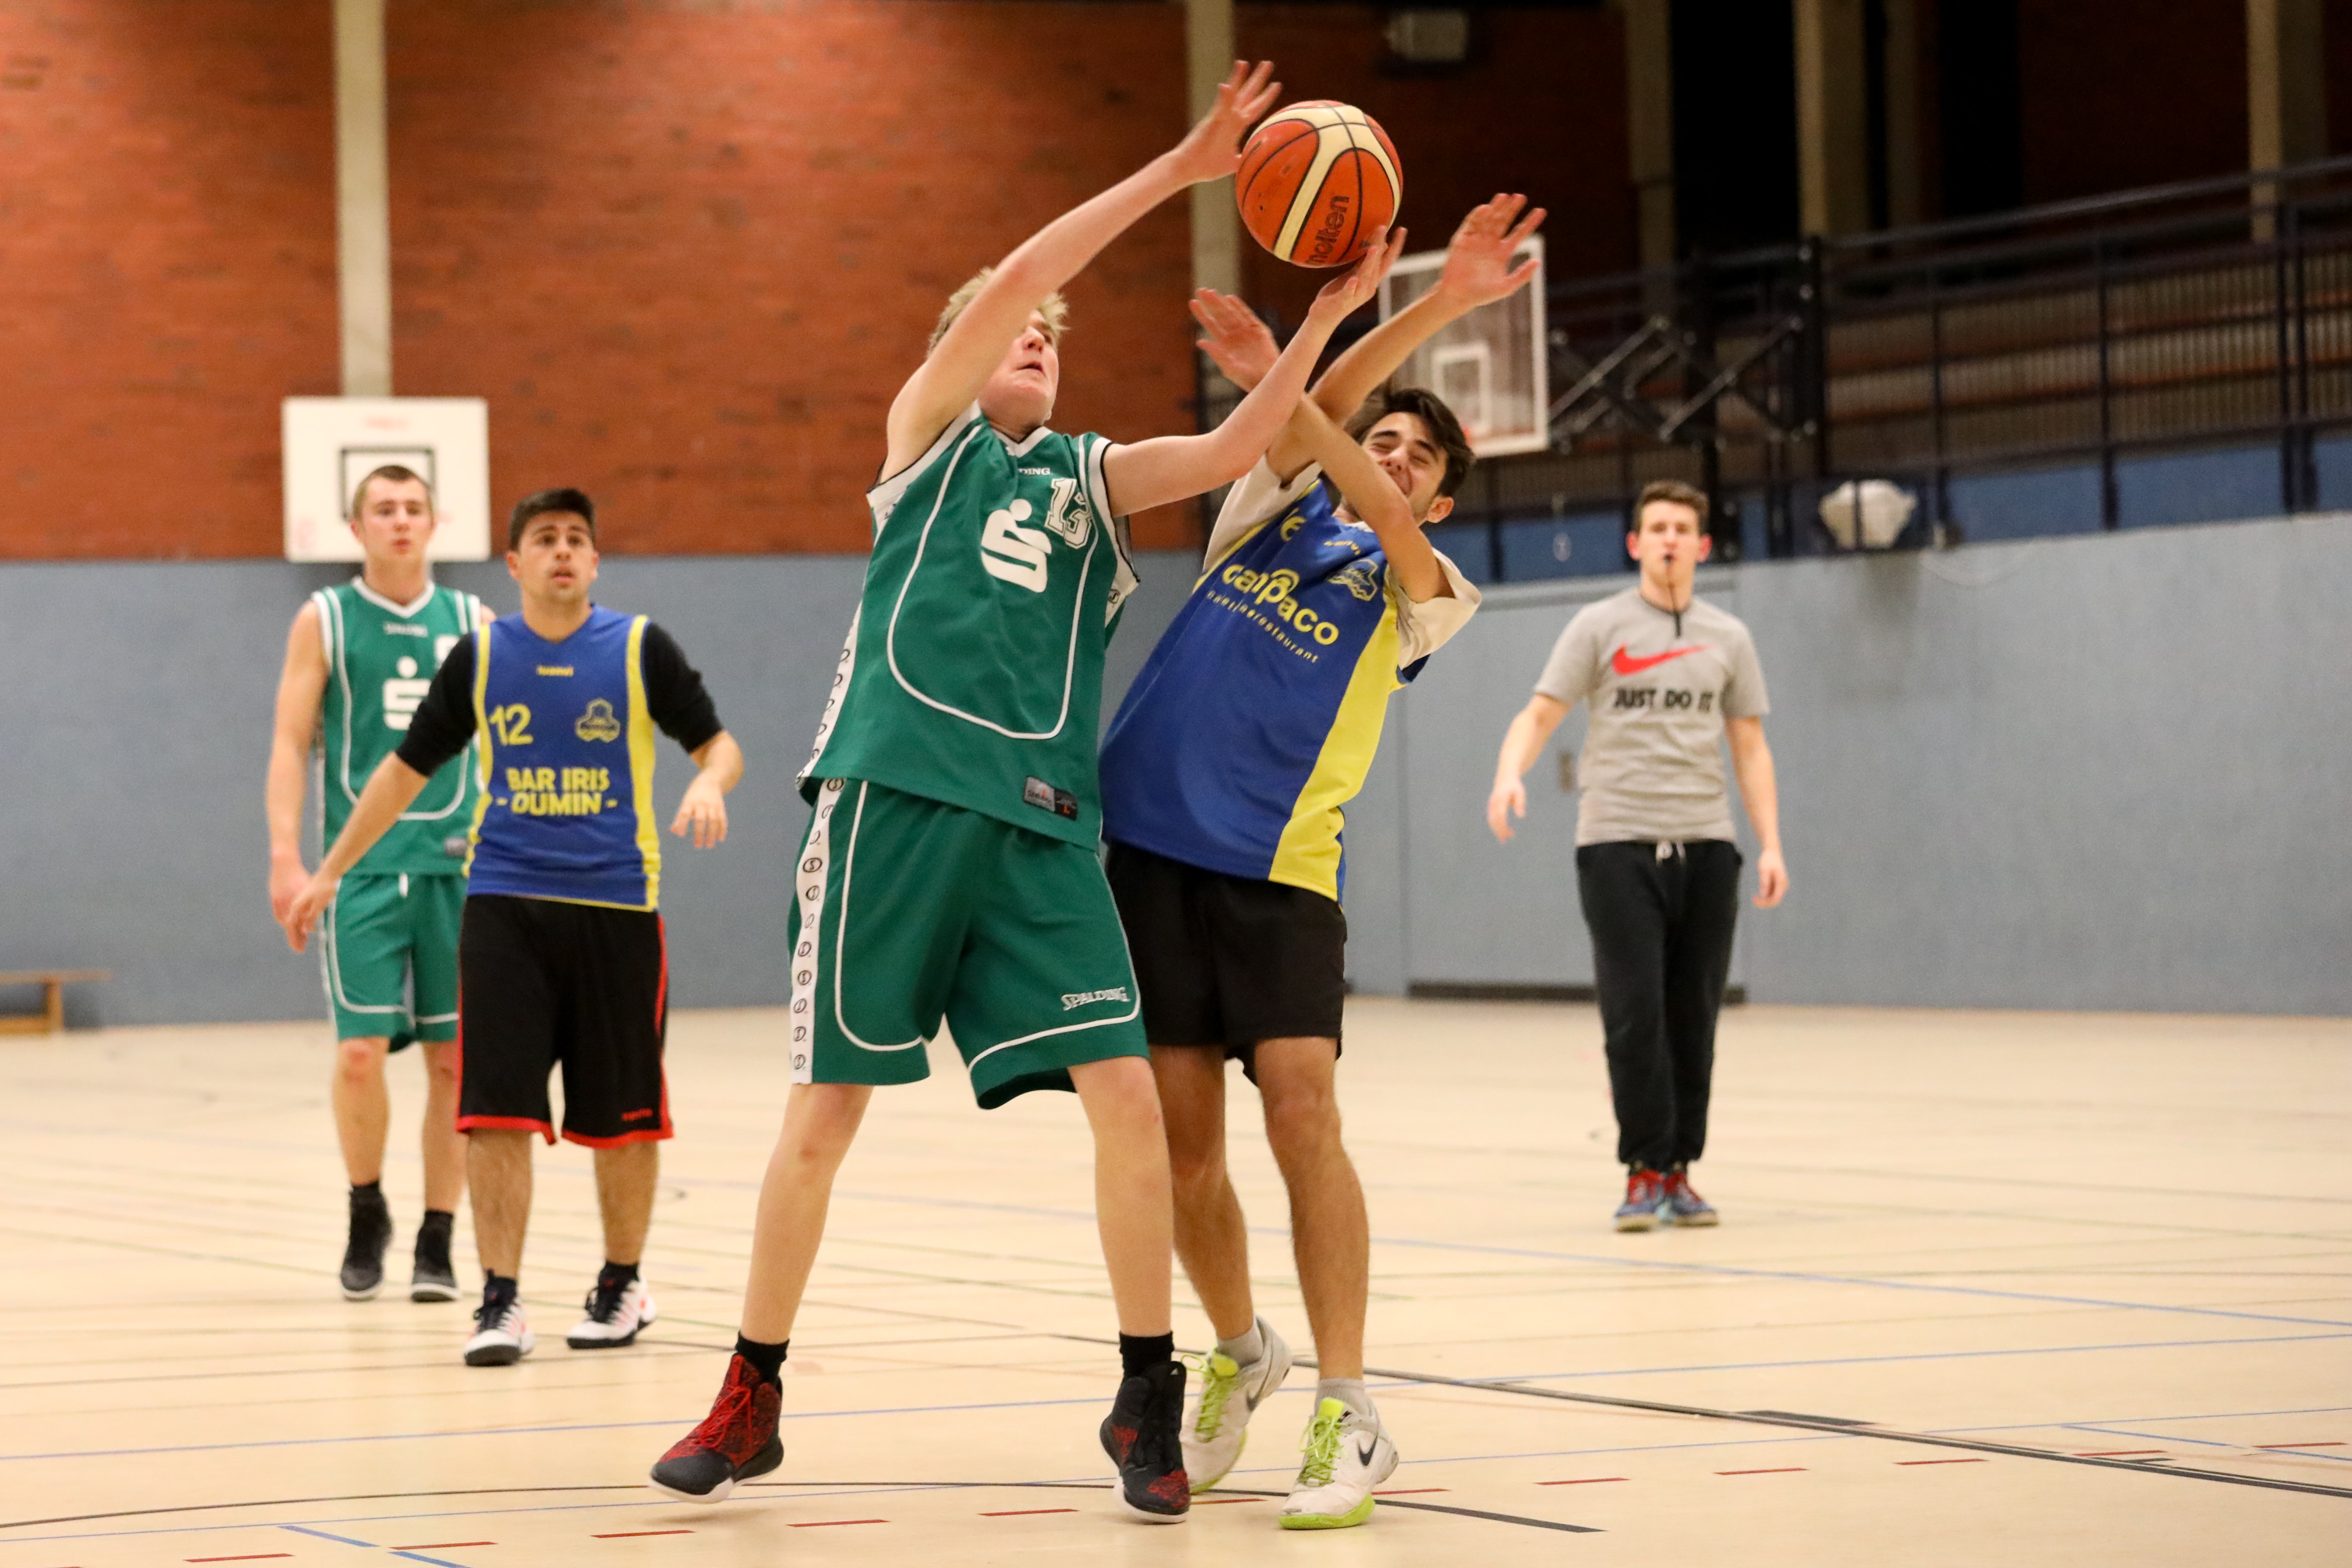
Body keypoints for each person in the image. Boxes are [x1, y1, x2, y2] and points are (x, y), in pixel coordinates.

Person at [644, 60, 1394, 1525]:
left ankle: (1142, 1390)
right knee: (826, 1113)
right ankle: (752, 1389)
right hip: (892, 803)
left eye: (1055, 336)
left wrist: (1323, 319)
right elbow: (1021, 278)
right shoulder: (923, 442)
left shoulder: (1093, 479)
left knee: (1127, 1094)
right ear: (966, 348)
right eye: (1020, 330)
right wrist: (1181, 171)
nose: (1040, 337)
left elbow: (1235, 448)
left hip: (1043, 830)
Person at [1095, 194, 1543, 1529]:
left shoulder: (1423, 587)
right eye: (1380, 439)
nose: (1389, 457)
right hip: (1147, 856)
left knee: (1303, 1121)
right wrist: (1394, 316)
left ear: (1441, 497)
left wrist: (1303, 384)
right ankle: (1243, 1350)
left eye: (1416, 455)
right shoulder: (1262, 513)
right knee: (1185, 1151)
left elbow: (1347, 460)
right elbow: (1317, 422)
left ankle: (1350, 1406)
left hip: (1280, 871)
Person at [282, 488, 744, 1365]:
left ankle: (622, 1282)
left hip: (617, 909)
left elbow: (719, 745)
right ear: (515, 563)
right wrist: (332, 867)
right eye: (544, 538)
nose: (562, 550)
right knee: (495, 1113)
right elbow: (406, 769)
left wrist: (710, 781)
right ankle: (499, 1300)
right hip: (502, 907)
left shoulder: (640, 647)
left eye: (576, 539)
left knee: (625, 1119)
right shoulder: (484, 654)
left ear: (595, 561)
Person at [1487, 480, 1787, 1230]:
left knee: (1694, 1016)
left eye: (1683, 528)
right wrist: (1509, 774)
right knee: (1634, 1014)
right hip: (1617, 845)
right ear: (1635, 543)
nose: (1669, 540)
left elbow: (1750, 746)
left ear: (1703, 546)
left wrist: (1771, 844)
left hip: (1707, 846)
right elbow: (1540, 713)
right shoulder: (1599, 626)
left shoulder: (1729, 637)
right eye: (1656, 528)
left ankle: (1681, 1171)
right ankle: (1643, 1170)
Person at [266, 465, 489, 1303]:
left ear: (436, 522)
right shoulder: (324, 618)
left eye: (413, 507)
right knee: (360, 1054)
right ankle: (368, 1210)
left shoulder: (473, 620)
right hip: (358, 871)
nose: (400, 520)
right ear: (357, 528)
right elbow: (291, 743)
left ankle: (438, 1236)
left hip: (456, 866)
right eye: (383, 509)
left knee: (453, 1062)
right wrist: (286, 855)